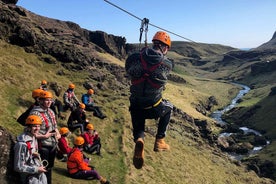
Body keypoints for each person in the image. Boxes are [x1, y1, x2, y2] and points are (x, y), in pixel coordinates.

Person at [125, 31, 174, 169]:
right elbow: (165, 66)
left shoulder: (135, 57)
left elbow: (128, 67)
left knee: (138, 123)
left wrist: (142, 54)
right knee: (169, 107)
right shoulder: (167, 64)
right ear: (165, 48)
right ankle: (160, 140)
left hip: (136, 105)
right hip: (154, 106)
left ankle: (139, 139)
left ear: (154, 43)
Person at [29, 90, 61, 184]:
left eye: (50, 100)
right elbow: (31, 132)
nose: (49, 102)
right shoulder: (35, 113)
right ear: (41, 100)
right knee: (43, 168)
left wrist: (58, 134)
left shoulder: (51, 111)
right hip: (42, 146)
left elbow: (54, 126)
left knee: (49, 167)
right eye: (46, 100)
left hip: (52, 144)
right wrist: (44, 136)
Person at [14, 115, 48, 184]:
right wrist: (36, 169)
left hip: (36, 173)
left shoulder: (33, 138)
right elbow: (18, 167)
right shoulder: (22, 144)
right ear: (28, 127)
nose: (37, 128)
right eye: (34, 126)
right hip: (29, 178)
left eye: (39, 126)